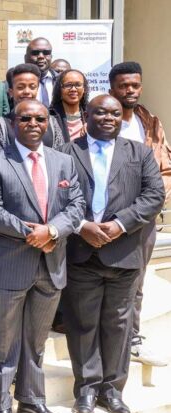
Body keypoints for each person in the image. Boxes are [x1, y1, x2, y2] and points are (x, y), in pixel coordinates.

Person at [0, 99, 85, 413]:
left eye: (40, 118)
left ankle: (32, 400)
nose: (33, 123)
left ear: (48, 123)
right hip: (10, 265)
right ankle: (1, 404)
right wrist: (33, 233)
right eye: (25, 118)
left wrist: (52, 230)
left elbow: (77, 205)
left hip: (51, 265)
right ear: (13, 123)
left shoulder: (63, 163)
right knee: (5, 340)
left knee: (36, 341)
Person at [61, 95, 164, 413]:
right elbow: (57, 196)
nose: (108, 117)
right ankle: (87, 391)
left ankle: (113, 391)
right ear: (86, 115)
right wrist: (81, 226)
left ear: (122, 118)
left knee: (119, 326)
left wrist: (120, 225)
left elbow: (154, 195)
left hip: (124, 254)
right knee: (83, 325)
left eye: (115, 113)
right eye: (101, 112)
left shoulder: (140, 152)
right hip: (82, 253)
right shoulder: (66, 153)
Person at [109, 61, 171, 367]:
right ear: (112, 88)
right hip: (107, 219)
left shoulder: (150, 122)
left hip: (144, 218)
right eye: (123, 86)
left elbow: (166, 170)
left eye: (134, 85)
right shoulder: (102, 120)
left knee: (136, 281)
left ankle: (132, 338)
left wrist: (152, 201)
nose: (129, 91)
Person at [0, 64, 65, 151]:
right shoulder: (0, 124)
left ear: (37, 90)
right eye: (20, 87)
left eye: (32, 87)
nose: (27, 91)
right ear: (11, 92)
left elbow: (58, 156)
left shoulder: (51, 122)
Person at [49, 69, 88, 142]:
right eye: (68, 85)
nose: (73, 89)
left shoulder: (91, 116)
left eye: (78, 85)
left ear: (84, 89)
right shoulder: (50, 116)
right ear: (60, 89)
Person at [24, 38, 57, 107]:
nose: (41, 56)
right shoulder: (11, 84)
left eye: (46, 53)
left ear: (51, 57)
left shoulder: (61, 81)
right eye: (35, 53)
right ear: (25, 58)